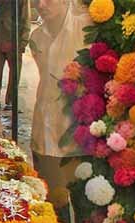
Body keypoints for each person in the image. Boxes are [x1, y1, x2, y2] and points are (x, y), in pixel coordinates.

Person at [29, 0, 90, 206]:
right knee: (54, 206)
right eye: (36, 1)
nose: (41, 5)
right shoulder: (36, 38)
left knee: (83, 207)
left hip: (78, 139)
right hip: (43, 133)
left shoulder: (86, 29)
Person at [0, 0, 31, 109]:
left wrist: (22, 42)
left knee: (14, 73)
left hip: (14, 40)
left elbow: (25, 19)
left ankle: (10, 100)